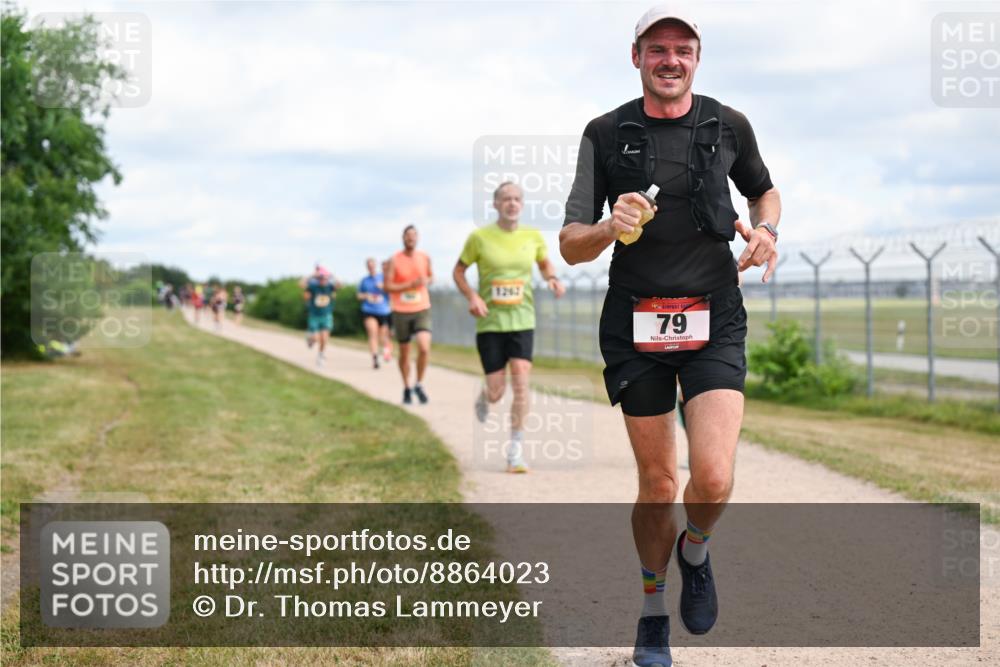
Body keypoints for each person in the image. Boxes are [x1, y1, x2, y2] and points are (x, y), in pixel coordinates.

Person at [558, 7, 781, 666]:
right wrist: (607, 227)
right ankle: (653, 612)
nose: (671, 60)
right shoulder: (605, 133)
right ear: (637, 57)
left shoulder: (729, 124)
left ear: (698, 57)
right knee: (658, 484)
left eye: (683, 49)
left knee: (712, 477)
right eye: (658, 49)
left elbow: (764, 193)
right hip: (635, 320)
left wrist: (768, 230)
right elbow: (570, 244)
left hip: (714, 315)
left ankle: (696, 550)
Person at [453, 182, 565, 473]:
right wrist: (473, 296)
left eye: (516, 199)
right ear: (496, 204)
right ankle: (485, 394)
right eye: (506, 199)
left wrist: (551, 277)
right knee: (496, 392)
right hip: (490, 322)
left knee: (521, 382)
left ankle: (515, 449)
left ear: (522, 204)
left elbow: (544, 263)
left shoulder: (533, 235)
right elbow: (458, 271)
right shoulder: (479, 237)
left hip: (523, 320)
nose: (512, 203)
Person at [385, 226, 433, 404]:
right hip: (401, 310)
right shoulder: (394, 260)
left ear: (418, 238)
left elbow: (431, 277)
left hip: (422, 307)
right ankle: (406, 387)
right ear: (403, 238)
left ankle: (419, 383)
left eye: (414, 236)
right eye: (408, 236)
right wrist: (409, 285)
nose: (411, 239)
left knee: (424, 347)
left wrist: (426, 281)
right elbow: (388, 286)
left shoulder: (424, 257)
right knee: (404, 353)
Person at [300, 266, 340, 367]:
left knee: (324, 338)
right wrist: (312, 275)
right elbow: (301, 284)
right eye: (321, 278)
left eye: (325, 278)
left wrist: (331, 275)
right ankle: (310, 339)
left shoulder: (330, 286)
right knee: (316, 338)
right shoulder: (313, 286)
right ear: (318, 279)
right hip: (314, 316)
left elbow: (340, 284)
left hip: (326, 315)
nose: (323, 280)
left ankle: (321, 355)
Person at [358, 258, 393, 369]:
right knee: (372, 333)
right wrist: (366, 296)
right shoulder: (364, 280)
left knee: (383, 337)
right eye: (369, 265)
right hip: (369, 310)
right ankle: (375, 358)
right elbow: (359, 295)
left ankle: (387, 351)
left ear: (375, 266)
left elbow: (392, 292)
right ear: (367, 267)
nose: (371, 267)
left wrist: (384, 287)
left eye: (372, 265)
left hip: (383, 311)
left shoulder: (383, 277)